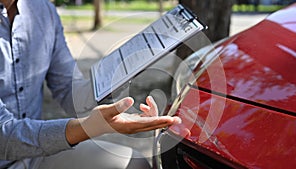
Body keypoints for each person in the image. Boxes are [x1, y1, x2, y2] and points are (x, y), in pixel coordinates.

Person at [0, 0, 181, 168]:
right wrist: (88, 127)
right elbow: (3, 135)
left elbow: (68, 89)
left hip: (34, 155)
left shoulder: (43, 11)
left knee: (135, 164)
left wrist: (120, 74)